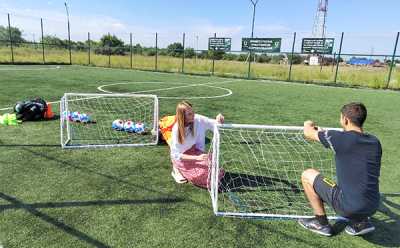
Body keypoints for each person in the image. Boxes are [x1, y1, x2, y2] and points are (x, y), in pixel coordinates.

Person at [298, 102, 382, 237]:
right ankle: (360, 223)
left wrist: (308, 123)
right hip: (373, 206)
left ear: (345, 120)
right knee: (360, 185)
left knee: (307, 175)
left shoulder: (338, 138)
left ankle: (321, 223)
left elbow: (308, 133)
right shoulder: (375, 142)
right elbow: (347, 142)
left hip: (347, 207)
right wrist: (324, 133)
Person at [170, 100, 224, 188]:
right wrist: (197, 158)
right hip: (182, 159)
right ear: (182, 117)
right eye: (189, 114)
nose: (193, 115)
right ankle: (176, 169)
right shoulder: (177, 129)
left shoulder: (198, 119)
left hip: (194, 151)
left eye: (193, 112)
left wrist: (219, 118)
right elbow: (176, 155)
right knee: (203, 176)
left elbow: (215, 124)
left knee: (214, 167)